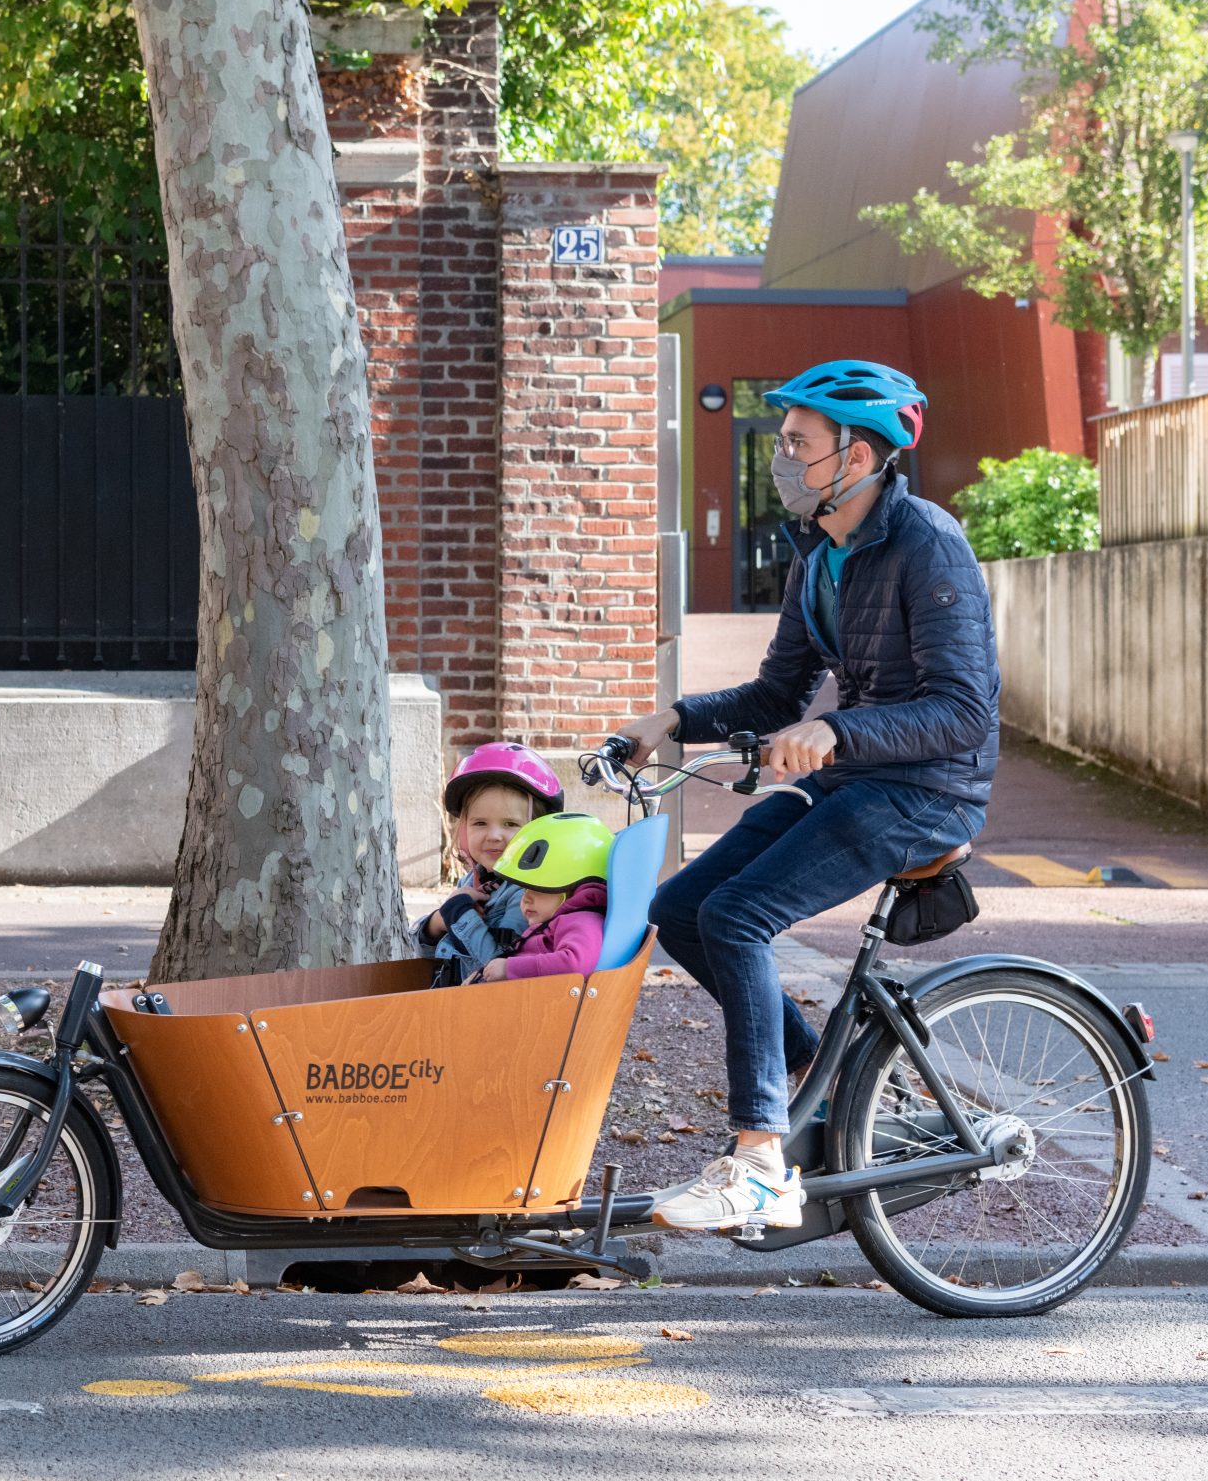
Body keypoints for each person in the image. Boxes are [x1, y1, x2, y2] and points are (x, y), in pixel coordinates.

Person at [608, 359, 997, 1234]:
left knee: (741, 915)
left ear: (856, 458)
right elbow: (778, 696)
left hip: (927, 791)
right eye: (782, 441)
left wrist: (839, 732)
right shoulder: (819, 557)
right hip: (858, 777)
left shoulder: (926, 543)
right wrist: (667, 719)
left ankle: (758, 1165)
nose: (782, 458)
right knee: (683, 907)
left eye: (798, 443)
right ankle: (841, 1088)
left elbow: (964, 709)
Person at [414, 742, 563, 988]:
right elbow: (425, 955)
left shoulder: (527, 894)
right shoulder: (472, 882)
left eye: (510, 824)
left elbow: (497, 973)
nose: (493, 835)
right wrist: (437, 921)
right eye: (480, 823)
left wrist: (459, 914)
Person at [467, 813, 613, 983]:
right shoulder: (557, 919)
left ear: (573, 887)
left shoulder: (581, 921)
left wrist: (509, 968)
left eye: (538, 889)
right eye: (525, 890)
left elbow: (575, 964)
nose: (526, 898)